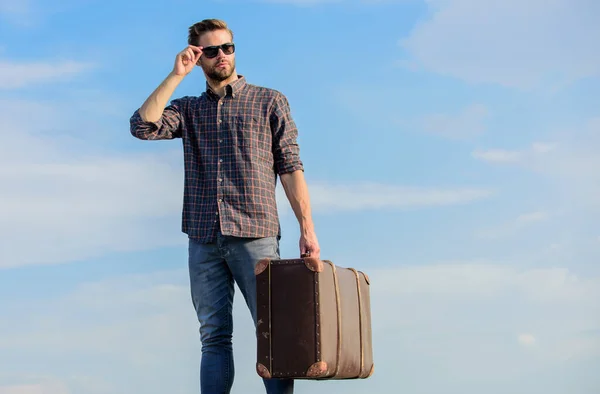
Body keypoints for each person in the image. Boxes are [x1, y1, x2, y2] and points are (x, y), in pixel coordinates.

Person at [129, 18, 320, 394]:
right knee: (213, 337)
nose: (221, 56)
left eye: (227, 47)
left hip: (255, 235)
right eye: (211, 50)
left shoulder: (269, 101)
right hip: (203, 238)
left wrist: (307, 229)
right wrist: (175, 74)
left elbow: (291, 167)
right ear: (199, 58)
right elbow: (142, 126)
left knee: (274, 334)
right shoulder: (187, 109)